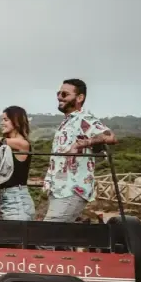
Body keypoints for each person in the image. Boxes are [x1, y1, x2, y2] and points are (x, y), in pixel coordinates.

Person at [43, 78, 117, 222]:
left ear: (79, 97)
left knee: (47, 237)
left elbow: (111, 136)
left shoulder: (85, 118)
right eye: (58, 93)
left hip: (72, 189)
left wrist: (83, 143)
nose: (59, 97)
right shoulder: (68, 120)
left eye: (64, 94)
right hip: (59, 189)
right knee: (56, 238)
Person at [0, 106, 35, 220]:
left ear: (16, 121)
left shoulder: (22, 144)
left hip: (17, 201)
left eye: (5, 120)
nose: (1, 123)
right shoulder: (9, 145)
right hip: (8, 199)